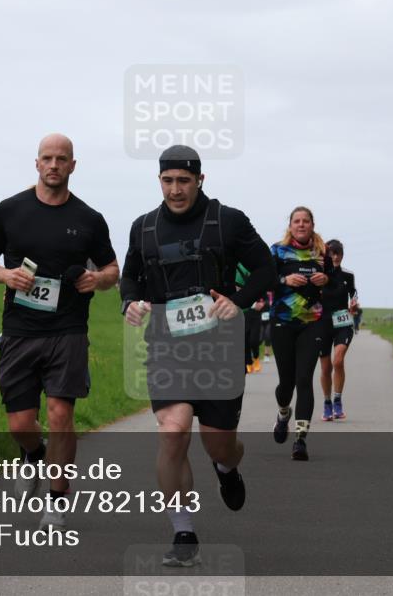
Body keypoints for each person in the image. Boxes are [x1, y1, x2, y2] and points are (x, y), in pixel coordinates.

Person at [120, 145, 274, 567]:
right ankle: (183, 531)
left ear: (200, 180)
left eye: (183, 181)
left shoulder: (228, 221)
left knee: (219, 445)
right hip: (167, 347)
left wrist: (238, 301)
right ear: (159, 182)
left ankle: (227, 469)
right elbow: (130, 278)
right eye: (168, 181)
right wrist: (130, 303)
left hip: (218, 349)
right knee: (174, 430)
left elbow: (266, 269)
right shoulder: (144, 227)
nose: (175, 190)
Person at [0, 133, 118, 531]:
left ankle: (55, 502)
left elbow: (112, 270)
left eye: (62, 159)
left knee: (60, 415)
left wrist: (97, 279)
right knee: (20, 424)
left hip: (68, 330)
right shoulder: (10, 210)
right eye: (47, 158)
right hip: (19, 330)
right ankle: (32, 454)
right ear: (36, 164)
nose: (54, 165)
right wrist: (5, 274)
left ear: (73, 165)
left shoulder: (89, 218)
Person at [269, 207, 332, 461]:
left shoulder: (322, 252)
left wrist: (326, 281)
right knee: (287, 383)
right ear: (290, 225)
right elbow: (264, 280)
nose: (301, 225)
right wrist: (285, 281)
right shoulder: (277, 250)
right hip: (283, 321)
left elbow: (339, 284)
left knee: (304, 378)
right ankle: (283, 413)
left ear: (312, 224)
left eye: (306, 221)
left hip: (312, 322)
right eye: (297, 221)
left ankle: (300, 439)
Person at [318, 239, 359, 421]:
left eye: (338, 253)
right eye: (331, 253)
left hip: (343, 322)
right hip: (322, 324)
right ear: (326, 255)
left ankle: (337, 400)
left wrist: (354, 304)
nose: (335, 257)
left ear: (342, 255)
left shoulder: (348, 275)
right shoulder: (319, 275)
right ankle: (327, 403)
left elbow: (354, 293)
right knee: (326, 368)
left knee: (338, 361)